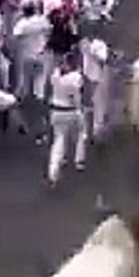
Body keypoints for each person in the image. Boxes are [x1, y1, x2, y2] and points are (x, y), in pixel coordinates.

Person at [46, 56, 88, 186]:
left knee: (59, 139)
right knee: (81, 134)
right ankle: (79, 160)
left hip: (56, 111)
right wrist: (80, 108)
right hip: (71, 110)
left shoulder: (55, 75)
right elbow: (76, 96)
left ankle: (53, 170)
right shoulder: (75, 77)